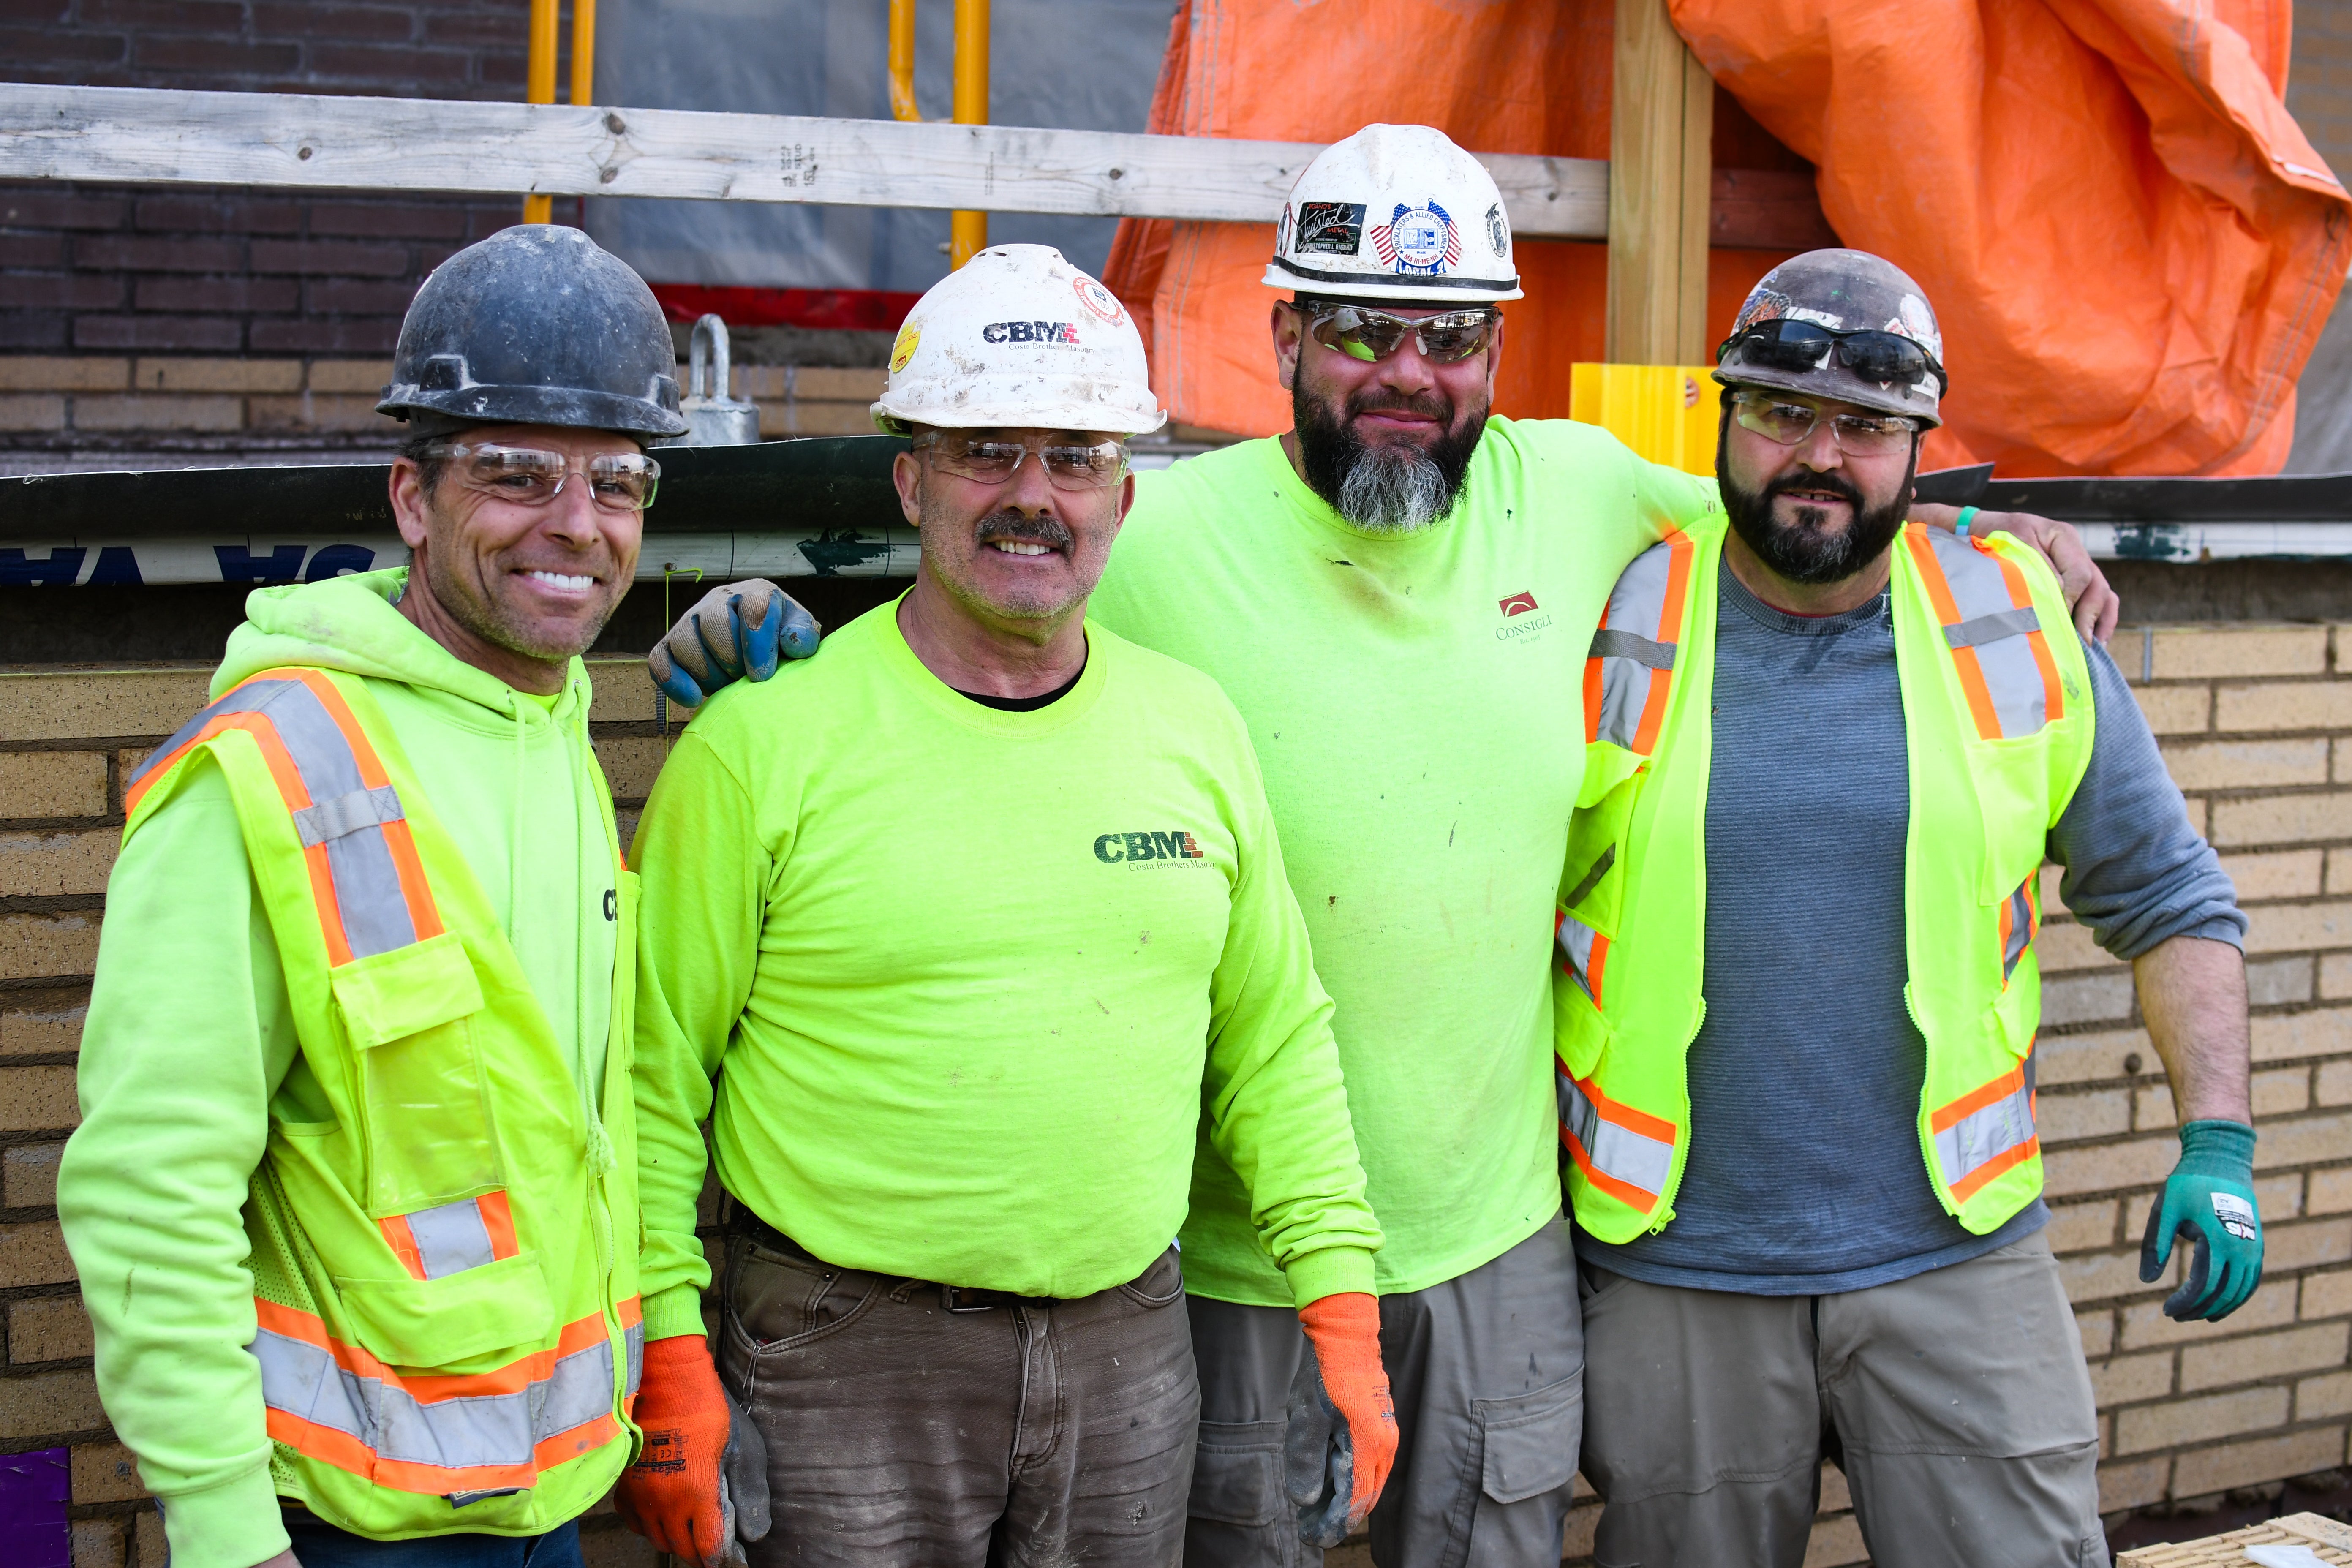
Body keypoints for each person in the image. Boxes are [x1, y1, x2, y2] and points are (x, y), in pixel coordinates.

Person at [647, 126, 2115, 1568]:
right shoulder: (1155, 527)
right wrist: (757, 621)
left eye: (1453, 336)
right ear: (1284, 336)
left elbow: (1808, 520)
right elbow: (979, 588)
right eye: (1362, 330)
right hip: (1231, 1264)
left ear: (1497, 358)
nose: (1411, 372)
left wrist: (2009, 536)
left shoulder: (1590, 494)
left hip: (1501, 1247)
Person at [615, 243, 1394, 1568]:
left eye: (1075, 458)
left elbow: (1273, 1043)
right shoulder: (764, 745)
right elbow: (645, 1080)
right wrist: (666, 1351)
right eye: (989, 451)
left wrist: (1343, 1313)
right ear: (911, 480)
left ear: (1123, 498)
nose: (1034, 496)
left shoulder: (1190, 727)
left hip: (1129, 1349)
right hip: (843, 1358)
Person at [1560, 250, 2259, 1566]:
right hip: (1674, 1262)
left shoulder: (2020, 620)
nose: (1821, 456)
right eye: (1782, 412)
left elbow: (2169, 896)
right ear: (1723, 418)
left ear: (1921, 449)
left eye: (1868, 428)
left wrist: (2217, 1144)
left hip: (1956, 1256)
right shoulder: (1605, 612)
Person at [56, 226, 693, 1568]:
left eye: (617, 481)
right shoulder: (267, 772)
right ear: (413, 497)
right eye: (517, 473)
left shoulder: (548, 725)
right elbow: (147, 1188)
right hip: (345, 1525)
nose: (575, 525)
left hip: (555, 1499)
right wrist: (231, 1536)